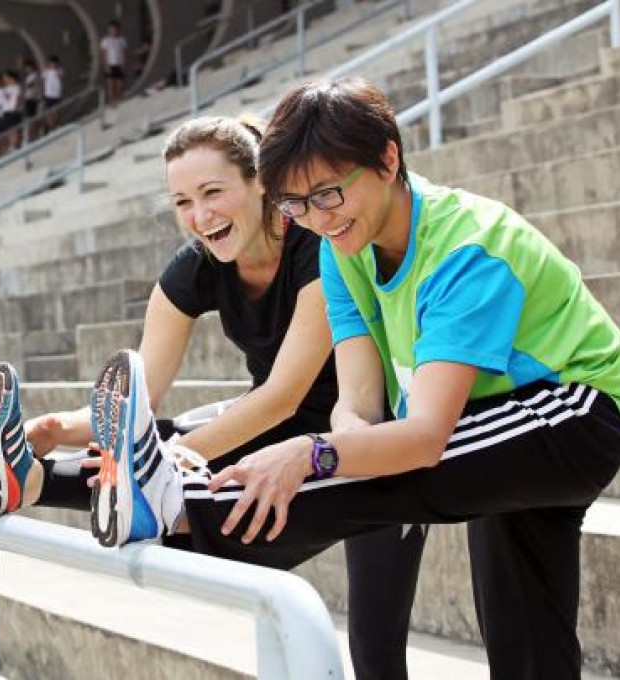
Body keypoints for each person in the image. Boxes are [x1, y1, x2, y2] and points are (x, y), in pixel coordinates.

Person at [77, 79, 620, 680]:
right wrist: (340, 447)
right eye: (296, 205)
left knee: (386, 475)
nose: (317, 218)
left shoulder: (465, 250)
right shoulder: (339, 246)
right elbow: (358, 401)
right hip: (488, 416)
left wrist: (313, 454)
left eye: (329, 194)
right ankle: (159, 498)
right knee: (526, 637)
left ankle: (179, 507)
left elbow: (425, 438)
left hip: (575, 409)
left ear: (388, 160)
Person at [0, 114, 430, 680]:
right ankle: (28, 477)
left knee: (376, 647)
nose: (199, 217)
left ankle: (82, 477)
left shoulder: (317, 246)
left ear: (261, 184)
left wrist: (180, 456)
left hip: (363, 437)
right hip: (270, 429)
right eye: (182, 201)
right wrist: (60, 428)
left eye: (212, 193)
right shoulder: (192, 269)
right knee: (157, 451)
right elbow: (143, 394)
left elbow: (284, 394)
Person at [101, 21, 127, 107]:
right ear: (109, 30)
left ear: (117, 29)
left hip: (119, 64)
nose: (113, 31)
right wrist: (105, 66)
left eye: (115, 29)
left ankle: (117, 99)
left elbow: (123, 53)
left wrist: (124, 64)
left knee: (119, 84)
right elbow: (104, 54)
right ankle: (111, 101)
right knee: (110, 85)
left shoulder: (121, 40)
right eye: (111, 29)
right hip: (110, 65)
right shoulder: (105, 40)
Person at [2, 70, 23, 150]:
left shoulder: (16, 87)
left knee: (14, 130)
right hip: (6, 111)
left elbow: (17, 99)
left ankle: (15, 146)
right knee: (9, 130)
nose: (4, 79)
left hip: (13, 111)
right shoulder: (6, 88)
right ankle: (12, 144)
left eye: (6, 77)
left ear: (11, 78)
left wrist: (14, 108)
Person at [42, 55, 63, 133]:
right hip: (48, 95)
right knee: (48, 112)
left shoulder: (59, 71)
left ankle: (56, 125)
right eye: (50, 63)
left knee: (56, 111)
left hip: (56, 95)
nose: (51, 65)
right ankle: (51, 127)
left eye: (53, 63)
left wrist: (56, 68)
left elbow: (60, 75)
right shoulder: (46, 72)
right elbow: (44, 79)